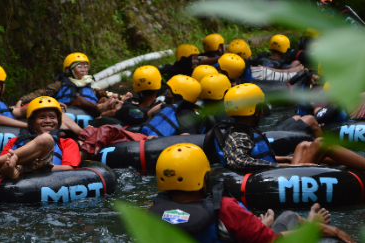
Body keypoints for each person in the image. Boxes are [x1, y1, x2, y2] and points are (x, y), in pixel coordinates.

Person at [148, 143, 354, 243]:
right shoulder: (226, 209)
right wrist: (326, 231)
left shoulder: (152, 213)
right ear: (204, 180)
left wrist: (257, 228)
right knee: (291, 217)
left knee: (282, 219)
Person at [219, 83, 365, 171]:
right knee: (321, 143)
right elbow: (239, 161)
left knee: (302, 146)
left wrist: (284, 159)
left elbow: (257, 157)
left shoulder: (243, 131)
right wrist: (284, 167)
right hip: (274, 176)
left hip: (276, 171)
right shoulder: (238, 135)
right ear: (255, 110)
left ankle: (345, 165)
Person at [0, 96, 81, 179]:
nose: (48, 121)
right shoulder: (14, 141)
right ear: (32, 122)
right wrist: (10, 167)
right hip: (11, 170)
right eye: (42, 117)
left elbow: (69, 168)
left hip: (40, 170)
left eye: (52, 117)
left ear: (58, 121)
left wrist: (25, 168)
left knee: (46, 139)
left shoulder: (67, 142)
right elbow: (4, 164)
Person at [17, 52, 114, 116]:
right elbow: (41, 93)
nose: (84, 69)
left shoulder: (92, 85)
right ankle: (98, 108)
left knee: (105, 99)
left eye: (86, 67)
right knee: (80, 99)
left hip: (91, 114)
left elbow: (106, 94)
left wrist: (115, 98)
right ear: (69, 70)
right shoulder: (60, 84)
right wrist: (22, 100)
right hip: (68, 112)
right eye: (79, 66)